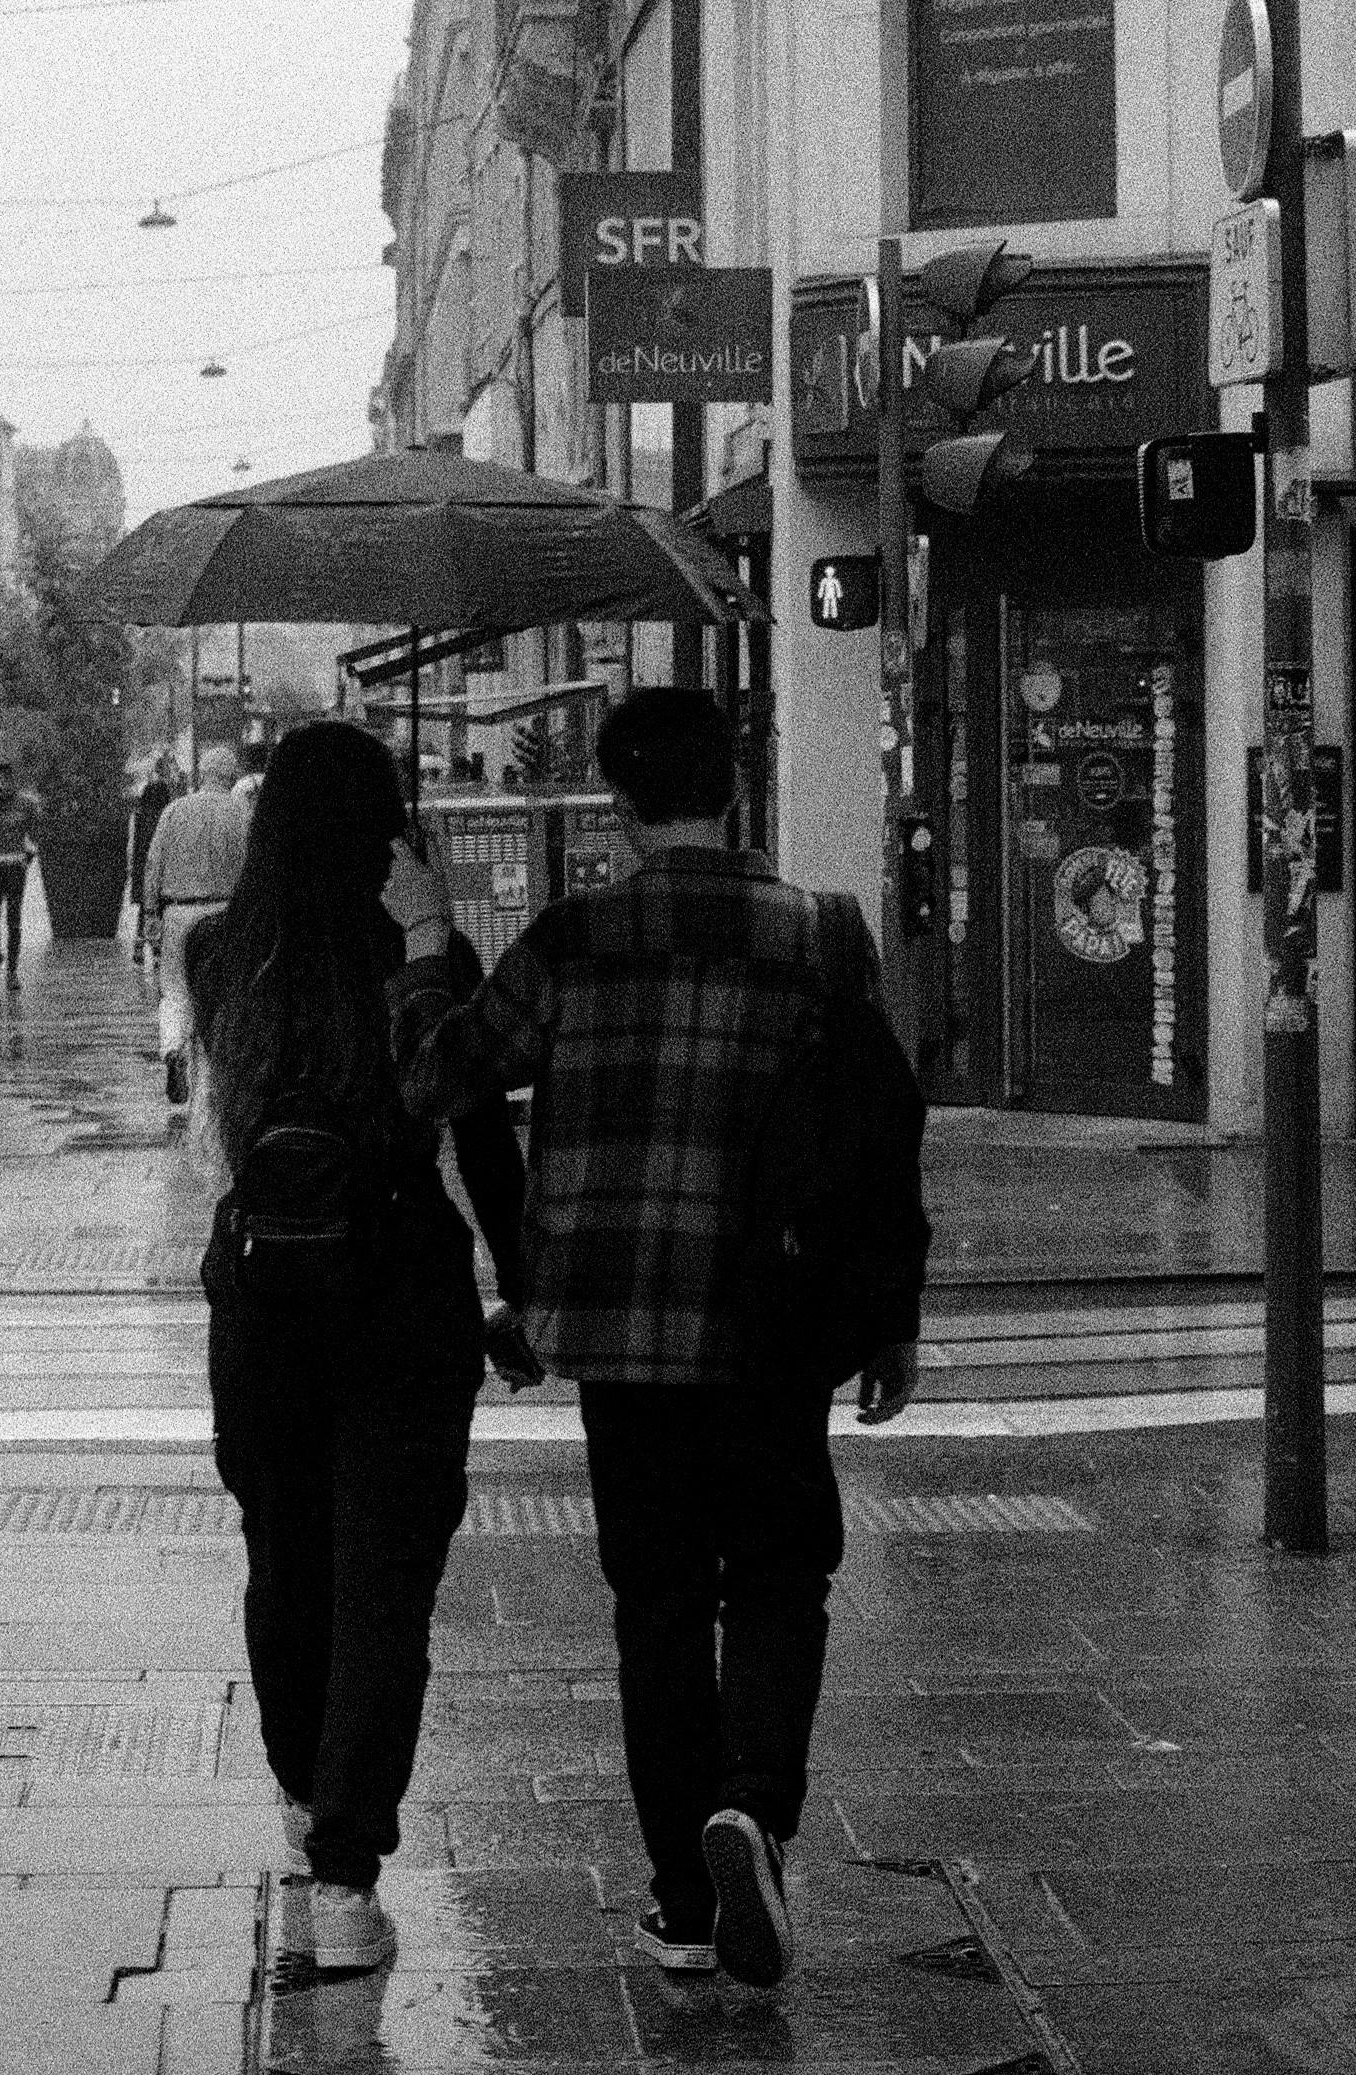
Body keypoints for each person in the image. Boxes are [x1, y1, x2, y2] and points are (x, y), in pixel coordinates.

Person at [381, 686, 925, 1991]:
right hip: (776, 1323)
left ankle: (685, 1900)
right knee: (782, 1577)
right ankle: (754, 1805)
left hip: (623, 1336)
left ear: (618, 810)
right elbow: (877, 1134)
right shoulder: (824, 934)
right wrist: (890, 1313)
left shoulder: (574, 938)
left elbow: (432, 1076)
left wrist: (420, 938)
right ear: (734, 791)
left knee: (661, 1607)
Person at [188, 720, 526, 1974]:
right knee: (384, 1583)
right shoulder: (420, 955)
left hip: (265, 1289)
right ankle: (343, 1871)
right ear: (388, 821)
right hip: (399, 1289)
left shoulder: (222, 949)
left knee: (284, 1557)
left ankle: (303, 1790)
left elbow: (235, 1117)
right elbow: (470, 1123)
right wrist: (528, 1286)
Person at [144, 742, 249, 1107]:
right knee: (227, 991)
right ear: (231, 777)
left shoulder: (173, 812)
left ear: (202, 775)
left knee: (174, 992)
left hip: (178, 913)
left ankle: (173, 1051)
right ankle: (220, 1068)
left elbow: (152, 866)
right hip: (226, 914)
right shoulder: (243, 814)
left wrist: (151, 916)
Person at [0, 761, 38, 990]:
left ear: (13, 779)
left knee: (13, 919)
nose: (2, 783)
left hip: (13, 866)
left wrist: (27, 857)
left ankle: (12, 969)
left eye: (7, 778)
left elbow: (36, 835)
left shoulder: (25, 804)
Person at [128, 754, 179, 965]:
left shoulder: (139, 816)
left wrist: (131, 867)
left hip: (142, 867)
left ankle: (139, 945)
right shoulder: (168, 815)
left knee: (144, 908)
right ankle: (158, 952)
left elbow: (132, 844)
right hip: (163, 868)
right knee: (161, 907)